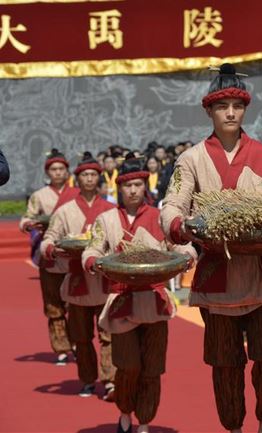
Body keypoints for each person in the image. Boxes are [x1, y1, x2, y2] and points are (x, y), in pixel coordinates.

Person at [160, 63, 262, 433]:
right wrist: (178, 225)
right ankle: (233, 427)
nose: (231, 113)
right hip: (217, 280)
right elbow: (173, 203)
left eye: (238, 105)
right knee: (225, 363)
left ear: (245, 109)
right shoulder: (190, 159)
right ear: (209, 111)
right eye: (223, 106)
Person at [83, 158, 196, 433]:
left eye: (138, 184)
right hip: (121, 300)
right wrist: (93, 262)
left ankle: (144, 420)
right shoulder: (106, 219)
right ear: (119, 188)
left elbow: (180, 246)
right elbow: (92, 249)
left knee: (153, 367)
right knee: (128, 365)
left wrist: (188, 255)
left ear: (145, 186)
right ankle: (124, 412)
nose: (133, 190)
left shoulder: (159, 217)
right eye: (127, 185)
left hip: (154, 301)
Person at [40, 156, 116, 399]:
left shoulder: (111, 210)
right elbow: (49, 238)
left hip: (105, 282)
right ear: (78, 178)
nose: (90, 179)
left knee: (109, 335)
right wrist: (52, 249)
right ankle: (86, 379)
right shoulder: (65, 211)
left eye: (94, 174)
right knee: (81, 338)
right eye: (85, 174)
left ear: (99, 178)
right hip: (77, 282)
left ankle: (110, 379)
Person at [19, 149, 79, 365]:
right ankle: (60, 347)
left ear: (67, 171)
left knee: (75, 303)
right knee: (53, 304)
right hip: (49, 255)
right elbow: (27, 218)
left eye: (61, 169)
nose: (57, 173)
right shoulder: (39, 196)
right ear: (47, 172)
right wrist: (28, 224)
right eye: (53, 169)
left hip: (73, 256)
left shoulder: (77, 194)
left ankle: (77, 343)